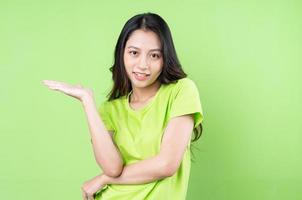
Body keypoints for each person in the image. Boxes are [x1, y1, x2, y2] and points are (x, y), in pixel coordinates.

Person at [43, 12, 204, 200]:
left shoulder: (181, 91)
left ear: (165, 58)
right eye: (134, 53)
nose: (143, 65)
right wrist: (87, 101)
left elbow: (167, 164)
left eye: (154, 55)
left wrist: (103, 179)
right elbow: (112, 168)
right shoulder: (110, 110)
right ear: (122, 54)